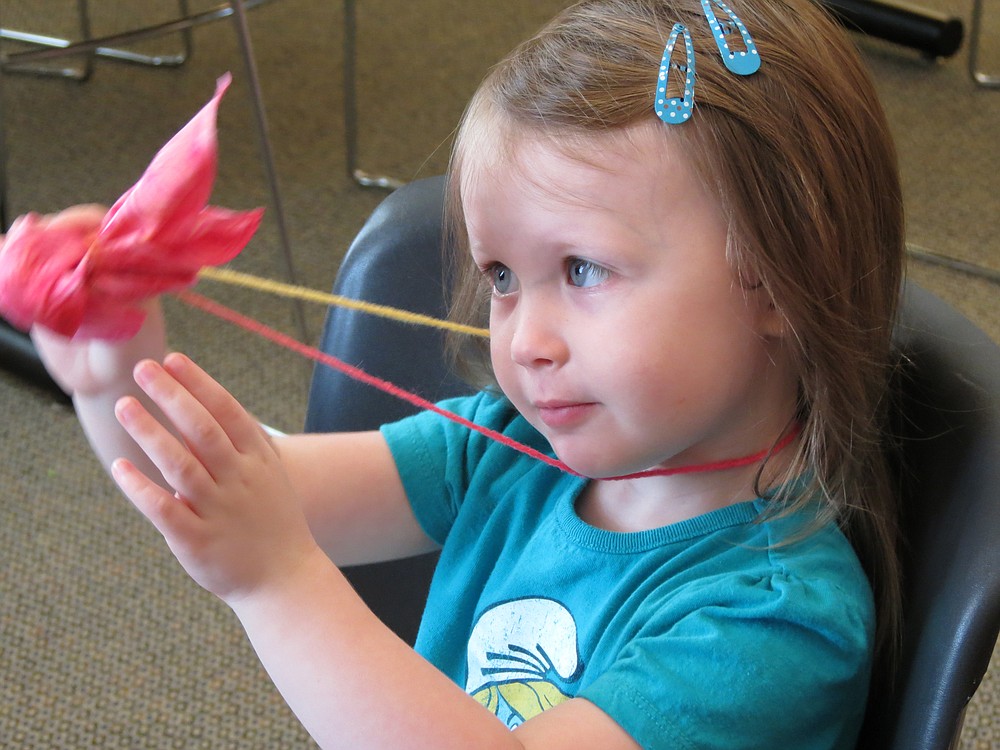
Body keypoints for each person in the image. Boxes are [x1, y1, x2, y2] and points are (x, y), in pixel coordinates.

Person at [27, 0, 905, 747]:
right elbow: (235, 488)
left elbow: (268, 544)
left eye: (584, 270)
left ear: (781, 274)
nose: (525, 339)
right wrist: (113, 366)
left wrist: (275, 581)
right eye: (502, 279)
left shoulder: (770, 621)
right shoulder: (513, 447)